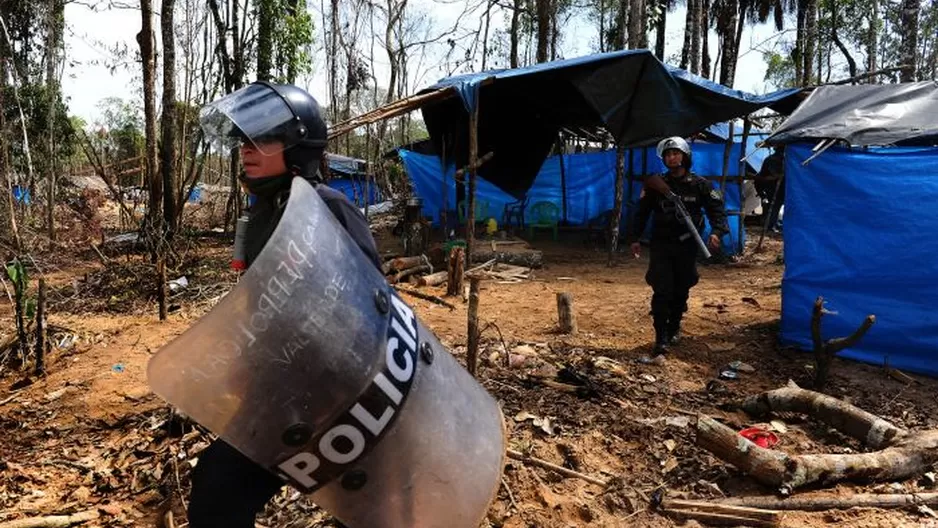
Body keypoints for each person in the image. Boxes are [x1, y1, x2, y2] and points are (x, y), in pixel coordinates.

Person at [189, 81, 379, 528]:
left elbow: (374, 305)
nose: (246, 150)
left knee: (373, 503)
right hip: (284, 394)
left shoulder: (327, 209)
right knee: (218, 486)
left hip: (343, 397)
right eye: (242, 141)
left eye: (262, 139)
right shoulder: (262, 215)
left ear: (298, 144)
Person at [630, 137, 729, 355]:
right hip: (661, 245)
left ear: (685, 156)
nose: (671, 157)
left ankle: (674, 327)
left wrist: (717, 232)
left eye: (675, 153)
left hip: (687, 246)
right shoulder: (656, 184)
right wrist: (635, 237)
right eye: (667, 154)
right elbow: (642, 211)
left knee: (682, 288)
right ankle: (660, 337)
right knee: (662, 289)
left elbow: (717, 210)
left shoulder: (700, 184)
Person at [755, 146, 785, 232]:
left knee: (774, 206)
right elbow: (773, 175)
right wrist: (780, 175)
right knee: (773, 206)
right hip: (769, 187)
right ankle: (770, 225)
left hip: (773, 187)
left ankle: (771, 223)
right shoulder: (774, 160)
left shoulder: (780, 159)